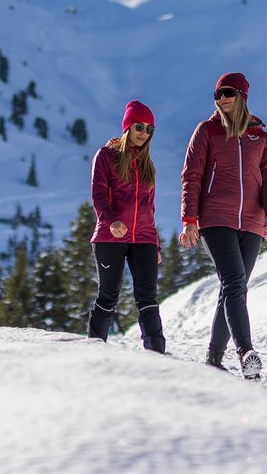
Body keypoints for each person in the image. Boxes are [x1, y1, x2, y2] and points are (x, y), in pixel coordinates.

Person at [179, 73, 267, 378]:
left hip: (251, 221)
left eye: (226, 93)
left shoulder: (259, 136)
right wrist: (189, 218)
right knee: (234, 282)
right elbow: (191, 175)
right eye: (217, 95)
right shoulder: (207, 131)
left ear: (242, 95)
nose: (220, 99)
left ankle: (213, 357)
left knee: (234, 288)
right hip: (215, 218)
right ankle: (245, 352)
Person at [87, 100, 166, 353]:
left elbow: (149, 209)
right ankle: (94, 349)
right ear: (128, 127)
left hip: (143, 237)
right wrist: (112, 221)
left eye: (149, 130)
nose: (143, 133)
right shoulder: (106, 156)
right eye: (139, 127)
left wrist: (156, 244)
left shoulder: (147, 166)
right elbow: (98, 195)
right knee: (109, 295)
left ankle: (157, 354)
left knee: (148, 297)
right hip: (110, 237)